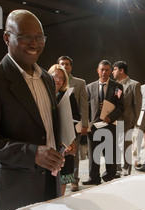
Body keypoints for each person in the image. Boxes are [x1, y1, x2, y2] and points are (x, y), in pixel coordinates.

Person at [0, 9, 66, 210]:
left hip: (50, 184)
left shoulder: (48, 80)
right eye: (24, 37)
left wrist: (59, 146)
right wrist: (33, 153)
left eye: (39, 37)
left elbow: (44, 128)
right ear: (7, 37)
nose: (34, 44)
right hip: (13, 193)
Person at [83, 60, 124, 185]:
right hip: (94, 127)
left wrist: (110, 118)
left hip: (109, 125)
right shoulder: (89, 87)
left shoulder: (117, 87)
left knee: (109, 154)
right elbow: (86, 108)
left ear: (110, 71)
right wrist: (87, 123)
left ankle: (109, 177)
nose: (104, 72)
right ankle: (93, 178)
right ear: (98, 71)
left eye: (107, 70)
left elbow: (120, 107)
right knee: (93, 154)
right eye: (102, 70)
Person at [57, 56, 89, 192]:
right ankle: (57, 180)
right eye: (62, 64)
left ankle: (74, 180)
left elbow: (83, 105)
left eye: (67, 64)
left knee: (72, 154)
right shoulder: (51, 82)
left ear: (71, 67)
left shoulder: (80, 83)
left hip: (73, 126)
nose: (65, 66)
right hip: (56, 128)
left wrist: (84, 124)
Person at [48, 64, 80, 195]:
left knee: (63, 175)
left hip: (65, 141)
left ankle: (60, 199)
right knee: (49, 176)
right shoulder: (44, 95)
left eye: (61, 78)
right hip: (48, 141)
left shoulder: (67, 95)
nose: (58, 80)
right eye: (55, 76)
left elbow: (77, 116)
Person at [112, 61, 142, 176]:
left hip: (127, 121)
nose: (113, 72)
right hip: (115, 121)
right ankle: (118, 169)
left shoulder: (134, 84)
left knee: (126, 147)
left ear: (121, 70)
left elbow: (137, 105)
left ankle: (126, 171)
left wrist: (134, 122)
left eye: (114, 70)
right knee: (116, 146)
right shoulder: (115, 85)